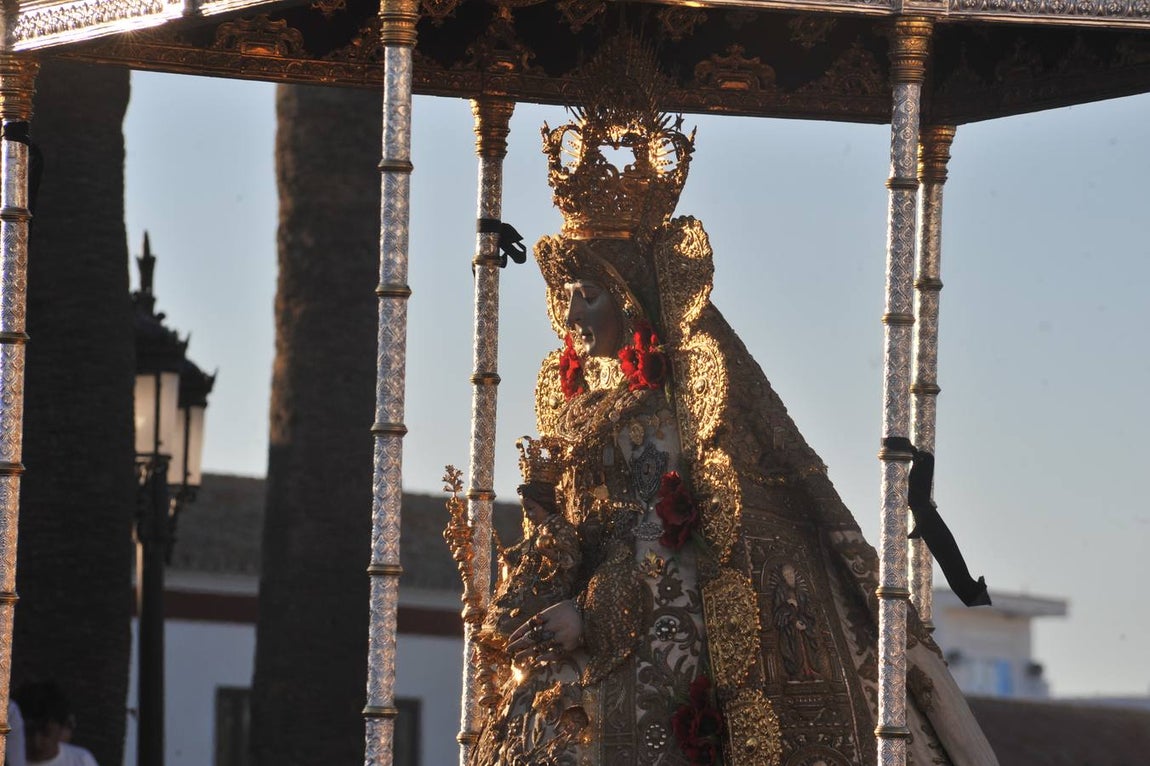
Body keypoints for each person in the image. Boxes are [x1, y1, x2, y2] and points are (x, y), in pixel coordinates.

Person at [468, 39, 999, 766]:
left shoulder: (661, 409)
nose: (571, 315)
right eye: (567, 296)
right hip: (582, 624)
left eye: (586, 295)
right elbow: (581, 522)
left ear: (629, 298)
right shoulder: (586, 404)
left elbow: (663, 535)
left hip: (647, 624)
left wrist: (587, 614)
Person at [11, 683, 98, 766]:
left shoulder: (80, 760)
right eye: (28, 733)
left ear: (62, 729)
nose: (36, 742)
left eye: (46, 733)